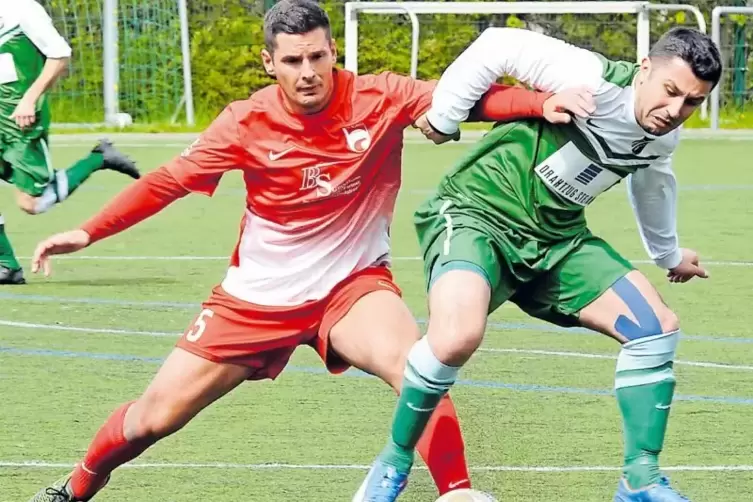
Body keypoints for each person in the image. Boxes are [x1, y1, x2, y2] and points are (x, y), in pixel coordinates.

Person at [24, 2, 590, 501]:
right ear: (270, 62)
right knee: (153, 418)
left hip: (353, 288)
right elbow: (167, 181)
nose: (309, 72)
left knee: (419, 365)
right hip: (255, 302)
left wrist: (541, 103)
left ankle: (458, 493)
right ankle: (73, 489)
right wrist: (87, 232)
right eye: (293, 61)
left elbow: (469, 100)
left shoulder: (379, 96)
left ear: (332, 52)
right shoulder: (244, 122)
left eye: (318, 57)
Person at [360, 26, 721, 502]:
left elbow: (652, 185)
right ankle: (394, 461)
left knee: (654, 327)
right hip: (476, 215)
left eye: (691, 103)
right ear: (645, 70)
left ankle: (640, 479)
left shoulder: (661, 140)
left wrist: (669, 255)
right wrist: (445, 116)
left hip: (556, 242)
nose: (675, 112)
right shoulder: (591, 77)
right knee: (455, 338)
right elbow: (496, 45)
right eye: (671, 92)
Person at [0, 0, 139, 285]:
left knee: (32, 203)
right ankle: (6, 265)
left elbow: (60, 55)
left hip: (20, 119)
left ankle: (99, 158)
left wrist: (29, 99)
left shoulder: (22, 9)